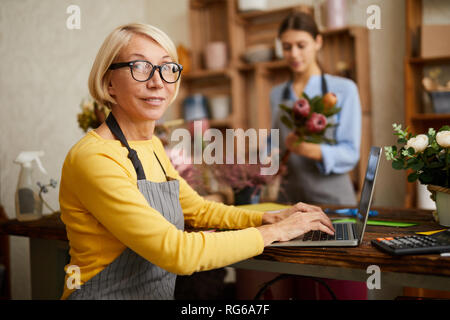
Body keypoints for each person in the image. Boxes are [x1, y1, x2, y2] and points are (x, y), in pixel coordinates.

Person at [59, 22, 335, 300]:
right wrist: (274, 232)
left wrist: (267, 217)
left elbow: (198, 210)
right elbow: (177, 253)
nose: (157, 82)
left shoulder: (150, 146)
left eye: (167, 68)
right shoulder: (95, 157)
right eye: (140, 67)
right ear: (108, 82)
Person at [271, 12, 362, 206]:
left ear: (318, 42)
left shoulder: (344, 90)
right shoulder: (277, 94)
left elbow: (350, 154)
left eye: (301, 46)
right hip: (289, 203)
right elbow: (273, 144)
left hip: (333, 202)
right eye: (287, 47)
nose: (294, 54)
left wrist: (305, 149)